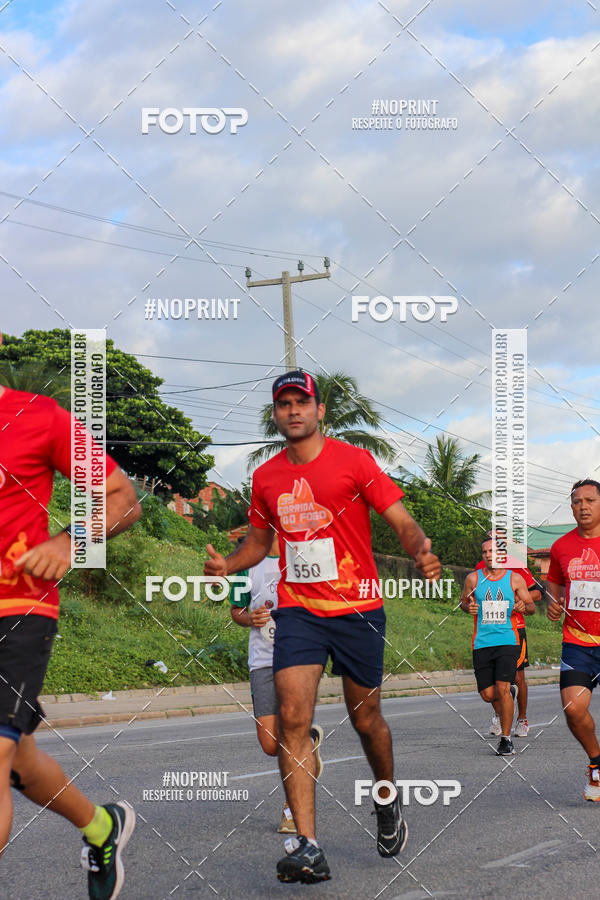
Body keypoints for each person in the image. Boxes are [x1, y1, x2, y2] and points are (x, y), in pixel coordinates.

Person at [205, 369, 441, 884]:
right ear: (276, 414)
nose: (293, 410)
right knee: (292, 717)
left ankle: (386, 798)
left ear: (319, 411)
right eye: (284, 403)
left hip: (358, 609)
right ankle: (308, 844)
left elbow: (401, 520)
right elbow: (260, 544)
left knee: (366, 720)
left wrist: (420, 548)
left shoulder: (353, 461)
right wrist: (229, 563)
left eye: (301, 402)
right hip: (300, 611)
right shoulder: (265, 477)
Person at [0, 337, 141, 899]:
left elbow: (121, 498)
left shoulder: (37, 417)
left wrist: (70, 539)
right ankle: (101, 827)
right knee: (19, 760)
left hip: (17, 609)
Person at [228, 527, 323, 834]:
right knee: (271, 744)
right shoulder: (246, 564)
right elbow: (236, 610)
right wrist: (250, 618)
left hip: (297, 659)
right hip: (262, 661)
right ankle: (308, 747)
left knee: (290, 737)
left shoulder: (301, 558)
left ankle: (291, 810)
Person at [546, 479, 600, 801]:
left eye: (590, 500)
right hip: (578, 642)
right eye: (577, 501)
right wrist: (553, 603)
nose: (583, 506)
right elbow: (554, 582)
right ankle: (597, 764)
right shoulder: (561, 546)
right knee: (572, 708)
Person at [461, 538, 535, 755]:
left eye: (493, 551)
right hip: (482, 642)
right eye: (484, 551)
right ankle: (507, 697)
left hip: (507, 641)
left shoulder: (515, 579)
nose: (488, 555)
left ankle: (505, 740)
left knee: (502, 689)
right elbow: (463, 601)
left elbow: (531, 606)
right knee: (487, 694)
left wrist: (524, 606)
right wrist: (468, 607)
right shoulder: (473, 579)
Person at [474, 532, 542, 738]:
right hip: (487, 631)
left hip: (514, 629)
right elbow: (470, 597)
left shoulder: (516, 567)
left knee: (517, 676)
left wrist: (520, 601)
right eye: (487, 549)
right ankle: (499, 714)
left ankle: (522, 719)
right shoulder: (478, 570)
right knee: (492, 685)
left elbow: (537, 592)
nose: (490, 553)